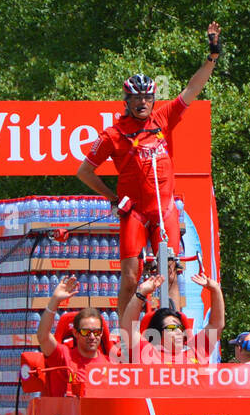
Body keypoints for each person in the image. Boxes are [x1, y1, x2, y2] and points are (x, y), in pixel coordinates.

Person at [75, 21, 222, 316]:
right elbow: (84, 172)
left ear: (153, 99)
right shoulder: (113, 134)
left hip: (164, 209)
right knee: (130, 277)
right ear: (127, 100)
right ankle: (126, 335)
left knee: (169, 273)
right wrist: (113, 198)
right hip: (135, 213)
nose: (142, 102)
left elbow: (193, 87)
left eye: (147, 97)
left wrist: (212, 55)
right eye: (136, 97)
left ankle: (170, 330)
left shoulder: (163, 117)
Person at [123, 272, 224, 364]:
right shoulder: (148, 353)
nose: (179, 332)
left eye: (180, 328)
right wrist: (141, 293)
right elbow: (128, 329)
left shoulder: (195, 350)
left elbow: (216, 325)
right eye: (172, 327)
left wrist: (215, 290)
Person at [38, 276, 111, 397]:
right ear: (75, 333)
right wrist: (54, 301)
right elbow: (43, 337)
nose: (92, 337)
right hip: (66, 414)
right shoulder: (64, 356)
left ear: (102, 333)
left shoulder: (110, 365)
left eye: (96, 332)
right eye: (85, 332)